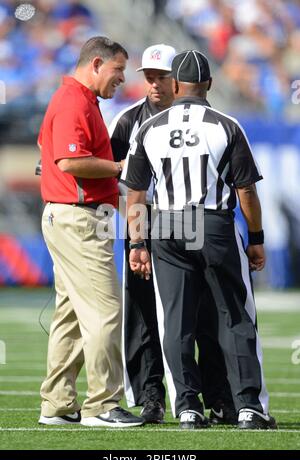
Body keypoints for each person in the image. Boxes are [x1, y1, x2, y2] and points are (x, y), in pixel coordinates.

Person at [122, 49, 277, 430]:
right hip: (212, 223)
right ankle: (247, 407)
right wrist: (256, 237)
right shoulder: (226, 124)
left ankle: (188, 407)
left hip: (168, 225)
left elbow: (136, 196)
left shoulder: (149, 127)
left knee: (175, 321)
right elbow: (247, 193)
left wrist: (138, 244)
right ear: (209, 84)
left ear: (174, 85)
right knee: (235, 316)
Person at [110, 44, 237, 425]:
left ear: (178, 81)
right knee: (145, 316)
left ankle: (215, 397)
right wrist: (137, 237)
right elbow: (120, 180)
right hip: (146, 225)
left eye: (161, 77)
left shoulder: (209, 120)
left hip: (189, 221)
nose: (153, 84)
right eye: (148, 77)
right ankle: (153, 397)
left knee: (204, 315)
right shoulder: (128, 120)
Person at [37, 36, 143, 428]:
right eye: (117, 70)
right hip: (78, 218)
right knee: (104, 311)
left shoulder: (79, 101)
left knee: (69, 314)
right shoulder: (73, 101)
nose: (122, 79)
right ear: (95, 63)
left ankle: (58, 402)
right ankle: (103, 404)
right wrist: (121, 169)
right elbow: (69, 160)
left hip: (69, 215)